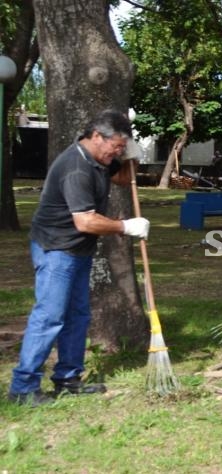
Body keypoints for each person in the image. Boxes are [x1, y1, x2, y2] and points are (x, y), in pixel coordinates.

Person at [8, 110, 150, 406]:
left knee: (77, 316)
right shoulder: (76, 167)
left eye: (122, 147)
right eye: (116, 145)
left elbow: (125, 178)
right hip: (57, 249)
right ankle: (23, 389)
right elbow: (85, 222)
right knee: (49, 317)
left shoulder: (100, 160)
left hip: (78, 250)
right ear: (96, 137)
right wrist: (124, 226)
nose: (118, 151)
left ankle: (67, 379)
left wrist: (131, 154)